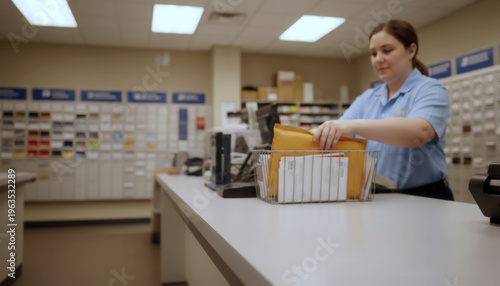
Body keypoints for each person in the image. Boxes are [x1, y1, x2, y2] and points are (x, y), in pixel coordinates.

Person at [312, 19, 454, 201]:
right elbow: (336, 129)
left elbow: (420, 132)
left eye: (387, 51)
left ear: (411, 50)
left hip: (425, 197)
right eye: (373, 53)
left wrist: (354, 126)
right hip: (377, 197)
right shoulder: (368, 98)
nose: (378, 59)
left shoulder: (430, 89)